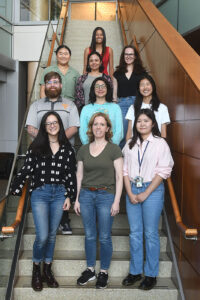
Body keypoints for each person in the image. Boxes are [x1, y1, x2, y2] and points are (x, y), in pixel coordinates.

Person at [11, 111, 77, 291]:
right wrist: (15, 187)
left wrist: (70, 196)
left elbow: (70, 174)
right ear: (44, 127)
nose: (52, 125)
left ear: (60, 125)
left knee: (53, 235)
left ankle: (47, 270)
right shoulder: (36, 147)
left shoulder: (67, 149)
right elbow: (26, 169)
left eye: (55, 122)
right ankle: (36, 270)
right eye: (48, 123)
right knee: (42, 236)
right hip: (40, 193)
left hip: (59, 194)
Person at [122, 109, 174, 290]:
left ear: (153, 123)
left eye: (146, 120)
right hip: (132, 190)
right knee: (135, 232)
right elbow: (124, 171)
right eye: (139, 121)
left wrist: (145, 193)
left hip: (152, 189)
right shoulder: (129, 144)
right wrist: (129, 193)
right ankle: (135, 271)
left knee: (150, 234)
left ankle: (151, 274)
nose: (142, 124)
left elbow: (164, 171)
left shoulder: (160, 144)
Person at [26, 71, 79, 234]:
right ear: (45, 86)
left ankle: (64, 219)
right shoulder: (36, 105)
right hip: (41, 154)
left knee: (64, 182)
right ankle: (45, 220)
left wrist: (58, 141)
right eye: (49, 82)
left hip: (64, 153)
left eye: (56, 82)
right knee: (44, 184)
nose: (53, 85)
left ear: (61, 85)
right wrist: (47, 139)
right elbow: (30, 128)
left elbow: (74, 127)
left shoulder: (70, 105)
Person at [74, 112, 123, 289]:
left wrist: (116, 201)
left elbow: (119, 177)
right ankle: (90, 269)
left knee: (104, 236)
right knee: (89, 235)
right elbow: (79, 175)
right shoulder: (83, 150)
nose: (98, 127)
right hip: (86, 195)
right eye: (95, 124)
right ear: (91, 128)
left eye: (102, 124)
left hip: (106, 195)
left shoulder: (114, 149)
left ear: (108, 128)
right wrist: (77, 199)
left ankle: (103, 272)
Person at [113, 45, 146, 148]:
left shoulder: (142, 73)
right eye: (126, 54)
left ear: (135, 56)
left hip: (137, 103)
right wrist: (115, 105)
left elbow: (145, 90)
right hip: (121, 104)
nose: (128, 56)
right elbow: (114, 92)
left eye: (131, 54)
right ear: (123, 56)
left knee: (138, 131)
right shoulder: (117, 73)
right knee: (122, 132)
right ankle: (122, 156)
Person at [79, 77, 123, 145]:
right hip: (91, 149)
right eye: (97, 86)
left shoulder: (115, 108)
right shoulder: (86, 109)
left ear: (107, 89)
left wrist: (110, 148)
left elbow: (119, 132)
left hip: (111, 148)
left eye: (103, 86)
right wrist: (90, 147)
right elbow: (82, 132)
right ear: (93, 89)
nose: (100, 89)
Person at [126, 74, 170, 140]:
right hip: (136, 145)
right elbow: (129, 131)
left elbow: (163, 133)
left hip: (155, 146)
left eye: (148, 84)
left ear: (153, 86)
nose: (145, 87)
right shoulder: (132, 108)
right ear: (138, 88)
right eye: (142, 85)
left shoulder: (162, 108)